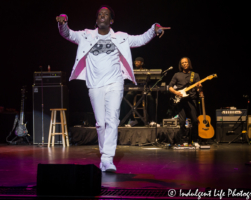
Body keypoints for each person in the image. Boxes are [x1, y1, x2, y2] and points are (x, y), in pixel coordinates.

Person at [56, 5, 170, 172]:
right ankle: (105, 155)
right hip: (95, 84)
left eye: (106, 14)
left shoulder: (121, 37)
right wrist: (62, 22)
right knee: (100, 124)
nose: (103, 15)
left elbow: (140, 39)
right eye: (100, 14)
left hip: (115, 83)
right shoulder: (86, 35)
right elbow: (67, 33)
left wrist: (154, 29)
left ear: (111, 20)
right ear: (96, 20)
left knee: (112, 121)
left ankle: (108, 158)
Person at [168, 57, 203, 146]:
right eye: (182, 63)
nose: (184, 64)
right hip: (181, 101)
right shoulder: (177, 75)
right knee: (182, 122)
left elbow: (199, 90)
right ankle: (184, 140)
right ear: (181, 65)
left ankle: (195, 140)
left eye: (186, 62)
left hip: (192, 100)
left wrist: (199, 87)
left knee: (195, 121)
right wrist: (176, 92)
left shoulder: (195, 75)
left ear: (189, 63)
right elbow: (170, 87)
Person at [122, 57, 156, 126]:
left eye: (138, 62)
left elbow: (149, 80)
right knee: (126, 99)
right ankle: (132, 119)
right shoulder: (133, 71)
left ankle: (152, 121)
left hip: (144, 88)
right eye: (135, 62)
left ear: (142, 63)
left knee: (151, 99)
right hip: (135, 88)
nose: (136, 63)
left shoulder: (146, 70)